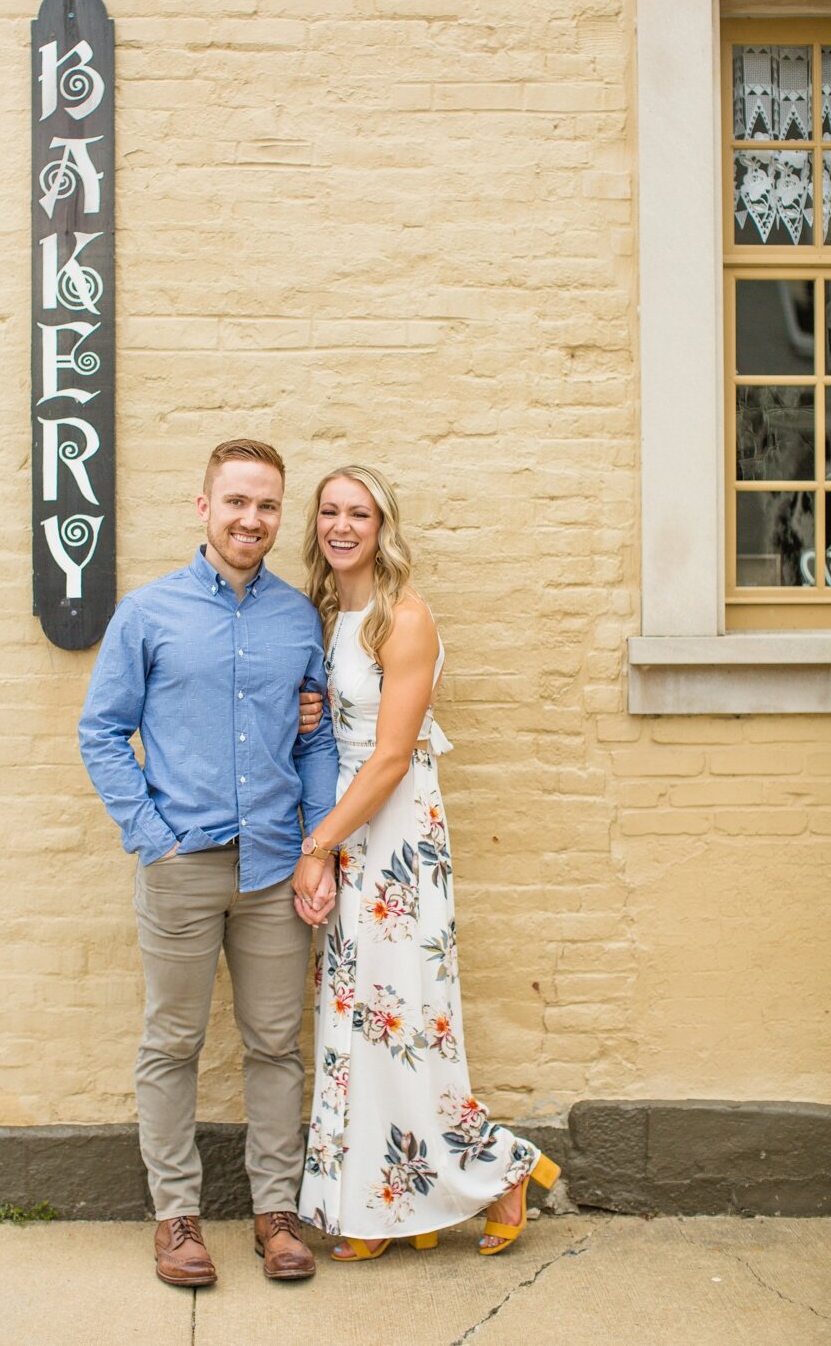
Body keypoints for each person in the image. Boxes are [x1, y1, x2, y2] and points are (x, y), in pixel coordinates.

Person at [77, 438, 337, 1289]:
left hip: (273, 868)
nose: (251, 520)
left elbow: (317, 738)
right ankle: (176, 1218)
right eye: (236, 502)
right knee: (173, 1043)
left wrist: (316, 845)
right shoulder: (147, 614)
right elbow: (102, 732)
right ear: (204, 507)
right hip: (181, 865)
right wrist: (153, 835)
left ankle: (275, 1214)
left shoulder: (299, 618)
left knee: (276, 1046)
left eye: (266, 506)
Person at [291, 465, 560, 1258]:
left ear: (383, 527)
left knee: (403, 1015)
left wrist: (318, 849)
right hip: (344, 822)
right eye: (330, 512)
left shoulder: (403, 618)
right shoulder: (324, 613)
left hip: (392, 838)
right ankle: (383, 1206)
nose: (342, 525)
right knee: (356, 1018)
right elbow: (336, 720)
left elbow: (391, 758)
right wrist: (311, 706)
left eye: (360, 514)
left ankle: (502, 1169)